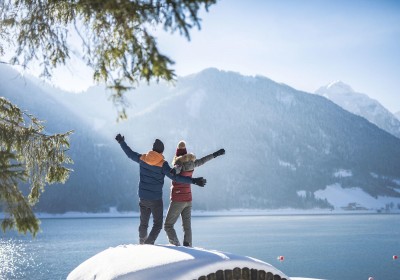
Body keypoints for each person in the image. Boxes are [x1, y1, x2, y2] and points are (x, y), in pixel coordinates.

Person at [115, 134, 206, 245]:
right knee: (158, 225)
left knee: (143, 224)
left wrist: (121, 142)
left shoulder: (142, 158)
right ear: (161, 152)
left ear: (153, 150)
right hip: (156, 199)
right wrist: (194, 181)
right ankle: (148, 244)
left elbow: (130, 154)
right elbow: (175, 177)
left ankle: (142, 243)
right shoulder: (163, 164)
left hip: (143, 197)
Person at [164, 140, 225, 247]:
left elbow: (177, 169)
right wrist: (216, 154)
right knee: (187, 226)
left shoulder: (178, 163)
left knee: (168, 225)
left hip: (178, 199)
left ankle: (176, 245)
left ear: (177, 155)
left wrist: (174, 170)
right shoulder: (192, 163)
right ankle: (189, 246)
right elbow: (203, 160)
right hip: (188, 199)